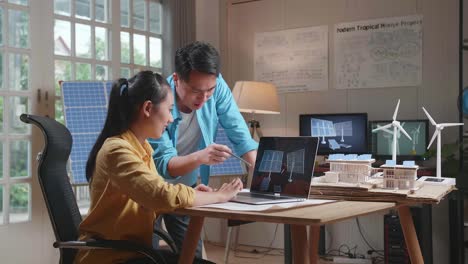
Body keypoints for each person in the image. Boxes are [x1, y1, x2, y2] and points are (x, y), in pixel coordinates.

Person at [75, 71, 243, 264]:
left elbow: (152, 196)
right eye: (169, 109)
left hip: (134, 254)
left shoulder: (142, 148)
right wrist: (219, 196)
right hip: (112, 258)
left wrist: (193, 194)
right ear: (148, 108)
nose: (171, 119)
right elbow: (161, 196)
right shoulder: (117, 150)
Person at [149, 41, 258, 257]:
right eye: (196, 91)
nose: (204, 98)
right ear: (177, 79)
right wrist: (201, 157)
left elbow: (239, 133)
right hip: (150, 191)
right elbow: (165, 165)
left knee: (193, 256)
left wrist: (264, 174)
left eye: (210, 90)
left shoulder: (217, 87)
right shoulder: (157, 100)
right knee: (145, 255)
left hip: (186, 190)